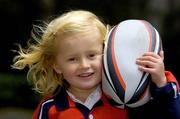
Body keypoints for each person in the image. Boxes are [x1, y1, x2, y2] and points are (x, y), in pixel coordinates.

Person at [12, 10, 180, 119]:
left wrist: (160, 82)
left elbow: (169, 116)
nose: (84, 65)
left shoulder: (126, 100)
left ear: (107, 53)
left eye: (92, 55)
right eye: (72, 59)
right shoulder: (50, 109)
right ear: (56, 65)